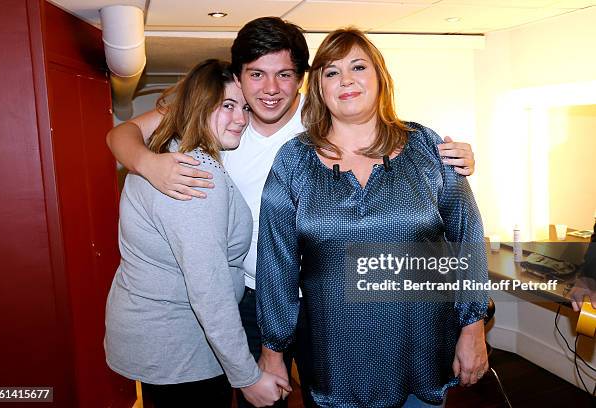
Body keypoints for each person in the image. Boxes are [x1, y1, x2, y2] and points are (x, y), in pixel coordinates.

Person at [106, 17, 477, 407]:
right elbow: (120, 134)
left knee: (327, 397)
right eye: (256, 75)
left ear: (303, 79)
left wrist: (449, 159)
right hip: (245, 296)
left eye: (284, 74)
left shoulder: (321, 120)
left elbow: (382, 135)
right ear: (238, 75)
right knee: (256, 398)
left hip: (323, 300)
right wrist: (148, 163)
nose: (270, 89)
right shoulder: (221, 114)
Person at [255, 28, 489, 407]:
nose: (345, 80)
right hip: (336, 365)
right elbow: (275, 264)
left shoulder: (428, 147)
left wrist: (473, 326)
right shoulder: (294, 161)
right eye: (331, 72)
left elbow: (468, 239)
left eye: (358, 67)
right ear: (318, 88)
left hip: (421, 356)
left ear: (380, 78)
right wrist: (273, 350)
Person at [104, 59, 290, 408]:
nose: (241, 119)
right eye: (228, 106)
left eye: (245, 108)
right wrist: (247, 377)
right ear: (198, 107)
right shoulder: (194, 174)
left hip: (160, 337)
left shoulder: (167, 151)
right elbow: (209, 290)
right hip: (181, 346)